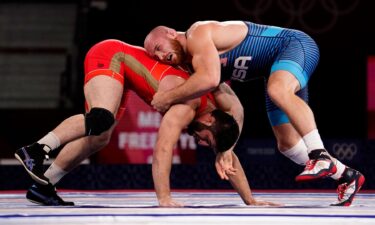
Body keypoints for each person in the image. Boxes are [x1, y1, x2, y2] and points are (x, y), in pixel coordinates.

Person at [15, 39, 277, 207]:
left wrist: (249, 199)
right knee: (100, 118)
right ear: (209, 120)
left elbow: (230, 138)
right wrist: (164, 198)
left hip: (126, 74)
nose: (198, 142)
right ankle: (36, 151)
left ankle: (43, 185)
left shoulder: (217, 111)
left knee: (99, 136)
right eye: (204, 140)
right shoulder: (187, 108)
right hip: (111, 54)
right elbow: (162, 149)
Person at [144, 21, 365, 206]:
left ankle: (320, 155)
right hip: (275, 69)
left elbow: (211, 79)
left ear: (171, 33)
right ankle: (346, 175)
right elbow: (235, 108)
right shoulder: (195, 67)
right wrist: (226, 149)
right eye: (155, 55)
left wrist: (167, 97)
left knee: (278, 90)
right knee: (287, 144)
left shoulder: (197, 33)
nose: (161, 56)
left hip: (295, 45)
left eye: (159, 47)